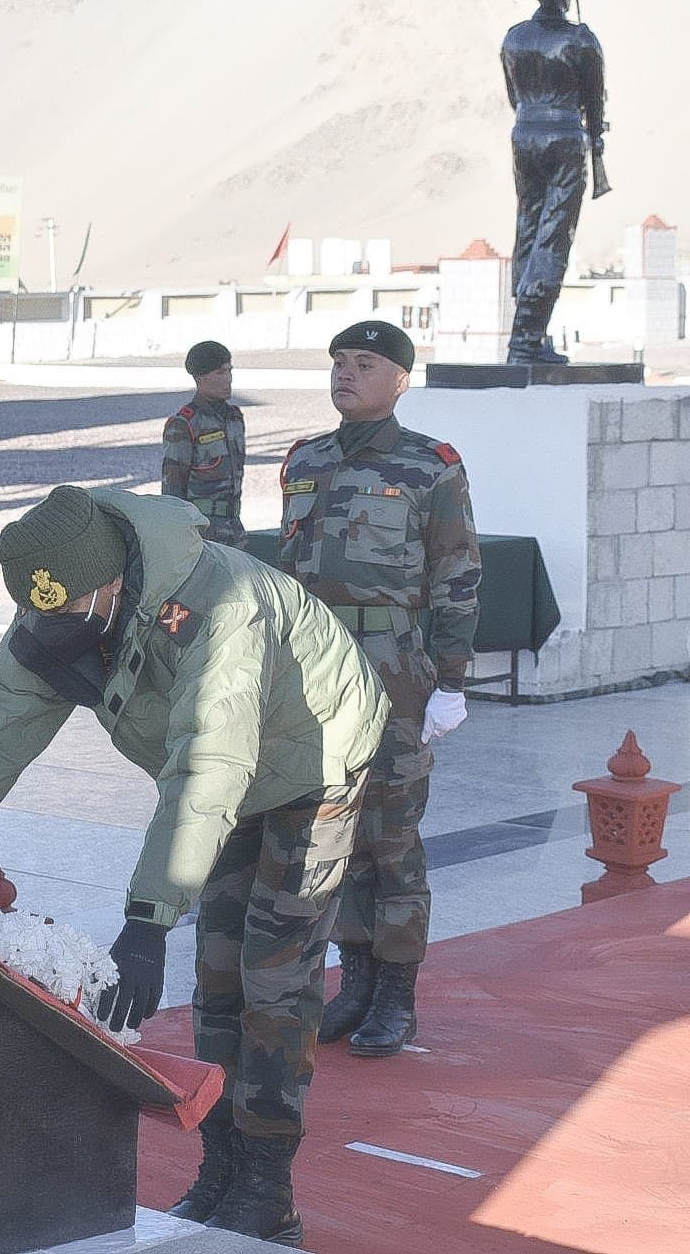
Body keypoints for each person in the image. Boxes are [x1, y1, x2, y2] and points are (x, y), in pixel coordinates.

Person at [0, 483, 388, 1247]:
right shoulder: (61, 604)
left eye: (69, 611)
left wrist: (147, 917)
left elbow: (209, 764)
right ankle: (221, 1165)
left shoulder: (220, 611)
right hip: (225, 773)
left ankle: (268, 1188)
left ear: (114, 581)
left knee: (275, 978)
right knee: (219, 975)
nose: (54, 629)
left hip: (313, 753)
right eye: (40, 614)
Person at [279, 320, 481, 1059]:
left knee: (392, 839)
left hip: (395, 672)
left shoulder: (431, 466)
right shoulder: (305, 460)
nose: (346, 374)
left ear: (400, 379)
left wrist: (451, 682)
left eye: (365, 363)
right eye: (338, 362)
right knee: (335, 835)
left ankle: (397, 996)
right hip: (316, 670)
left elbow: (458, 577)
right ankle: (355, 981)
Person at [502, 0, 607, 363]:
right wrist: (595, 137)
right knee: (553, 236)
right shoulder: (581, 40)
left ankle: (527, 332)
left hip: (525, 134)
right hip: (564, 135)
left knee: (527, 228)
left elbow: (514, 96)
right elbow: (594, 101)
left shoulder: (514, 38)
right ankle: (527, 338)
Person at [161, 340, 247, 548]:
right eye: (220, 372)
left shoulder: (234, 418)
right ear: (200, 377)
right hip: (202, 533)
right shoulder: (184, 424)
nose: (228, 378)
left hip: (234, 529)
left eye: (229, 371)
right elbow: (172, 491)